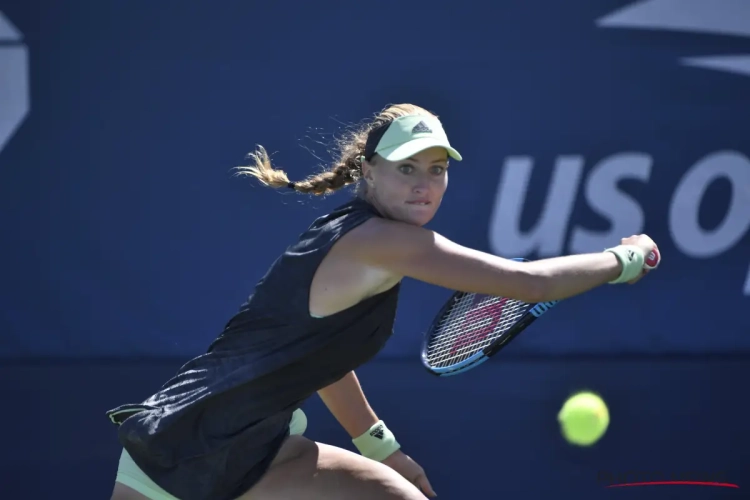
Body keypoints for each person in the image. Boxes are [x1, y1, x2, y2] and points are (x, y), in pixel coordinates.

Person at [107, 103, 660, 500]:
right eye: (407, 169)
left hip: (261, 448)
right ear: (368, 173)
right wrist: (627, 258)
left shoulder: (364, 235)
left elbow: (321, 357)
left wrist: (379, 446)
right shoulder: (384, 241)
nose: (425, 185)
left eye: (437, 170)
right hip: (180, 450)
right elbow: (529, 283)